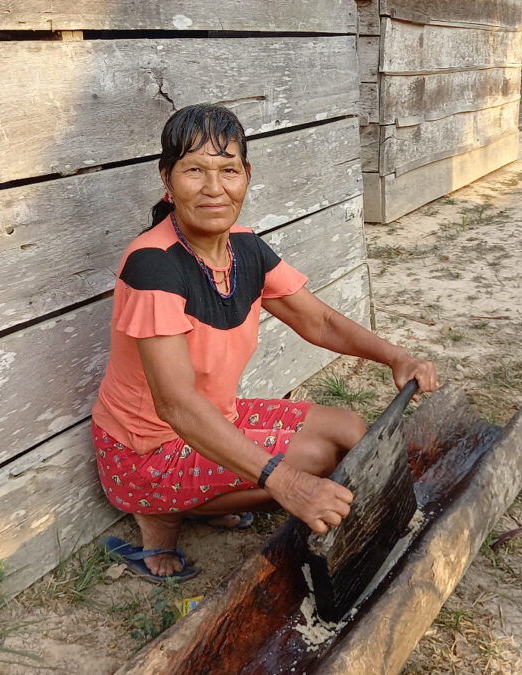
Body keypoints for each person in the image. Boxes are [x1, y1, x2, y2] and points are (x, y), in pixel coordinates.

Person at [91, 103, 438, 580]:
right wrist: (286, 481)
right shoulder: (153, 266)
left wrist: (396, 356)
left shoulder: (245, 247)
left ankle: (208, 499)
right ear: (167, 180)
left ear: (246, 175)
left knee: (350, 430)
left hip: (215, 418)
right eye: (194, 170)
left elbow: (317, 322)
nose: (214, 188)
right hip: (148, 450)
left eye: (228, 170)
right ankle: (163, 513)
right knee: (315, 463)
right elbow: (175, 406)